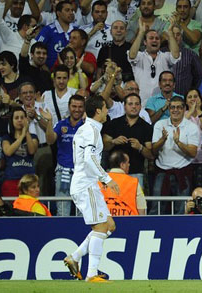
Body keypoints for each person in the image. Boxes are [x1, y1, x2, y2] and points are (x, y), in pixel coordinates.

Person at [64, 95, 120, 283]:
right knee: (101, 226)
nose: (107, 111)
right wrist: (107, 178)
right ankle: (91, 274)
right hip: (85, 184)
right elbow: (89, 158)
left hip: (86, 183)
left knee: (109, 225)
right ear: (98, 111)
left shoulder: (85, 128)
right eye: (105, 108)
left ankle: (75, 256)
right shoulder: (92, 131)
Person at [151, 96, 199, 214]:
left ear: (184, 109)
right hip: (162, 171)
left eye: (179, 107)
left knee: (182, 210)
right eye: (172, 107)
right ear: (169, 109)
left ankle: (181, 232)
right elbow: (153, 150)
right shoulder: (160, 124)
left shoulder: (191, 127)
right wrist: (162, 139)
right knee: (156, 208)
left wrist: (178, 142)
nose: (175, 110)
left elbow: (193, 153)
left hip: (183, 172)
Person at [41, 95, 85, 217]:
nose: (77, 109)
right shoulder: (61, 124)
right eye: (74, 106)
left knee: (82, 211)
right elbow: (50, 140)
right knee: (62, 210)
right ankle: (63, 234)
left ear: (84, 108)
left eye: (80, 107)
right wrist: (49, 122)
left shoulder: (88, 126)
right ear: (69, 107)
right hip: (63, 172)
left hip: (82, 173)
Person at [102, 93, 154, 191]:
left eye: (137, 104)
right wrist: (113, 141)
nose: (134, 106)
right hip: (113, 173)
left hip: (136, 173)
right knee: (113, 203)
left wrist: (140, 147)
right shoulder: (114, 123)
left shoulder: (147, 127)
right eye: (130, 104)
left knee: (135, 204)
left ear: (140, 106)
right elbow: (104, 146)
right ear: (124, 106)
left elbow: (151, 154)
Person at [128, 19, 180, 106]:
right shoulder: (139, 56)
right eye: (151, 38)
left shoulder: (165, 56)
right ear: (145, 42)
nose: (154, 40)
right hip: (141, 104)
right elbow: (132, 55)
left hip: (162, 104)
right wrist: (141, 32)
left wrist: (170, 32)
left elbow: (176, 55)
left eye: (157, 38)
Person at [1, 107, 39, 197]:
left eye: (22, 118)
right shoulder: (6, 138)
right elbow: (8, 152)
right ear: (12, 120)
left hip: (29, 181)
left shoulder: (33, 137)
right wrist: (21, 136)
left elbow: (31, 150)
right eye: (16, 118)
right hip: (11, 179)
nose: (19, 120)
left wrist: (26, 132)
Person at [100, 150, 147, 216]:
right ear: (122, 165)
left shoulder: (99, 181)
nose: (129, 165)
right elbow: (141, 208)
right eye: (127, 162)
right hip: (129, 223)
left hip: (104, 222)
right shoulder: (133, 182)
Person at [36, 0, 78, 69]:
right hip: (51, 74)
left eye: (72, 10)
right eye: (67, 10)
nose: (71, 13)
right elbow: (36, 48)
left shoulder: (76, 31)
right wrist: (45, 71)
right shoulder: (48, 30)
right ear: (58, 13)